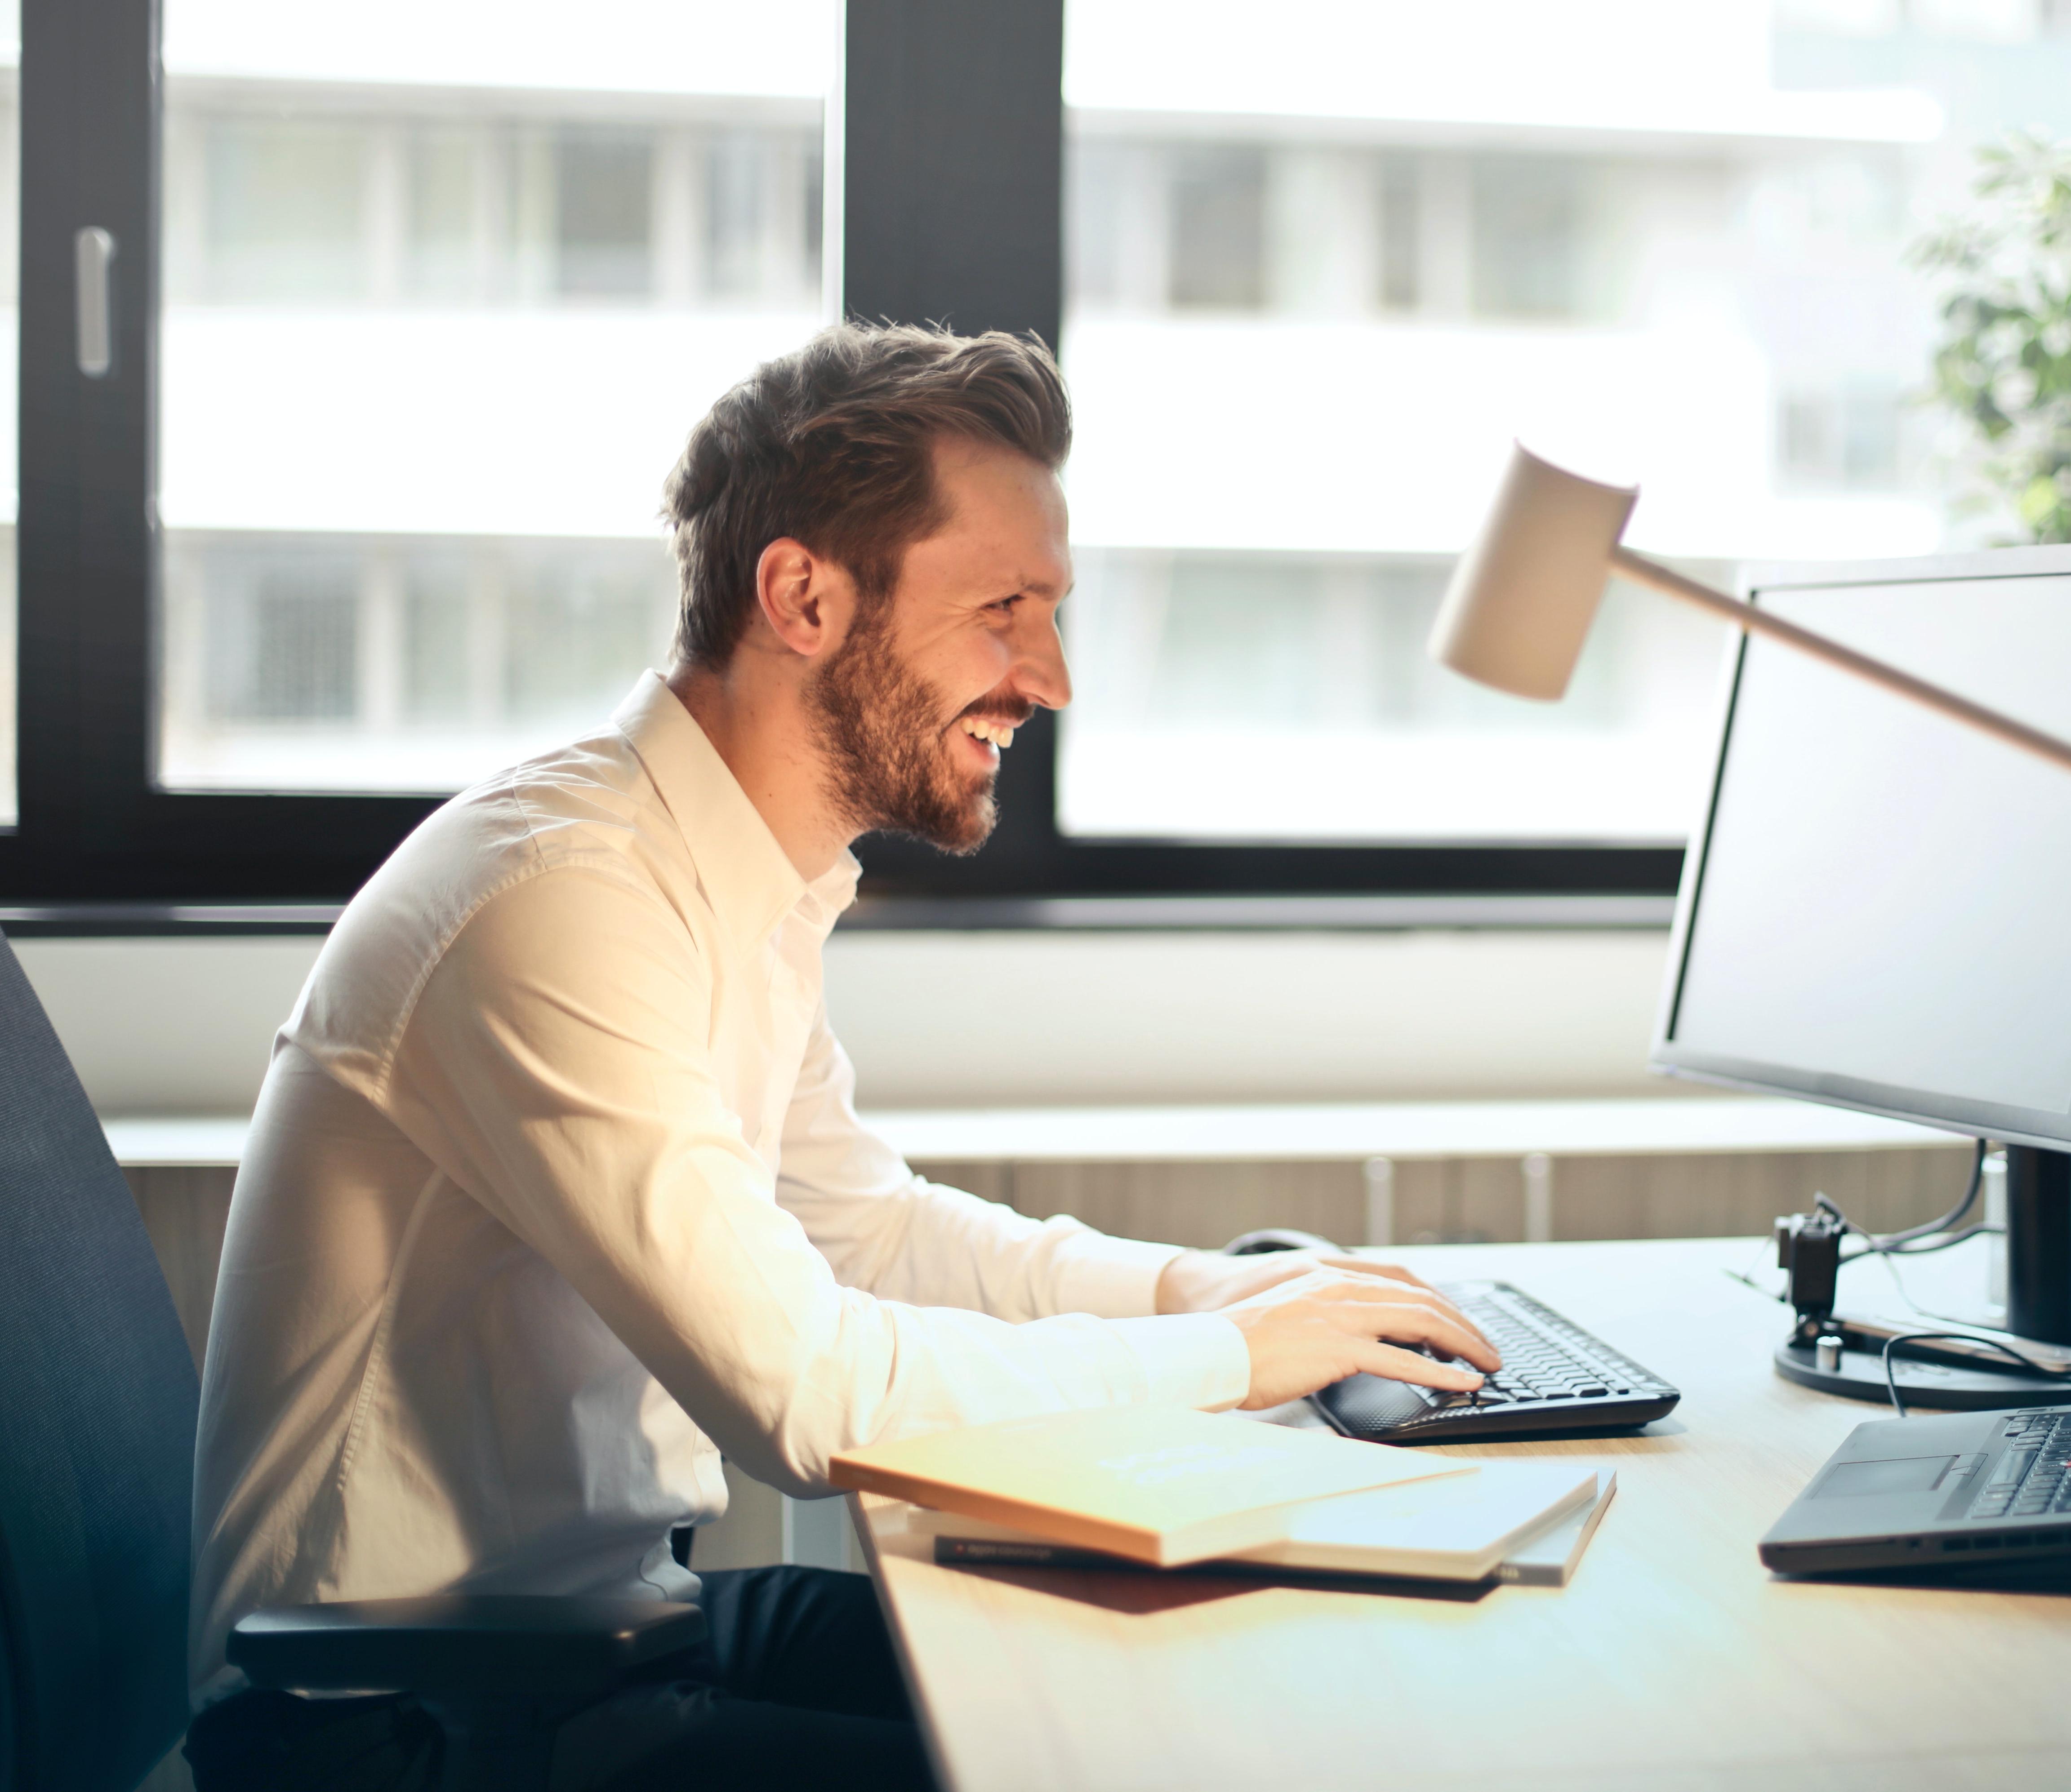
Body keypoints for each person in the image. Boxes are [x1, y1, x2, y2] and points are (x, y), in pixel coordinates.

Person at [183, 324, 1501, 1792]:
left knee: (1215, 1684)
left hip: (602, 1639)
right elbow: (805, 1396)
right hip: (401, 1722)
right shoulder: (558, 899)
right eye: (1004, 606)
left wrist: (1200, 1289)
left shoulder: (738, 876)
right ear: (802, 595)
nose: (1050, 676)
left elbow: (862, 1232)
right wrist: (1235, 1358)